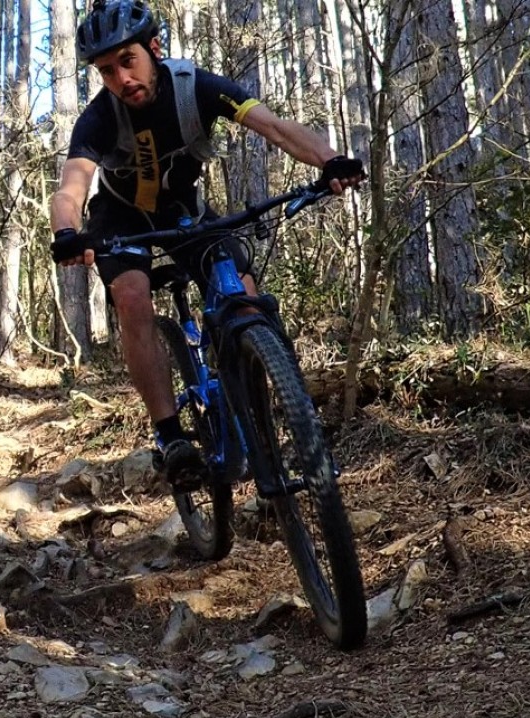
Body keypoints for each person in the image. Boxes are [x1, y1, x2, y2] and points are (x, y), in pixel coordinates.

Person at [49, 0, 365, 491]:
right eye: (107, 70)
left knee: (246, 294)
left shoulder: (196, 87)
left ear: (154, 48)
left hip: (184, 212)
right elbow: (71, 188)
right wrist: (67, 233)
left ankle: (261, 407)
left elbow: (273, 126)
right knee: (131, 296)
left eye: (128, 61)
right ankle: (171, 434)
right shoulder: (98, 118)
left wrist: (329, 161)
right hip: (121, 219)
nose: (121, 78)